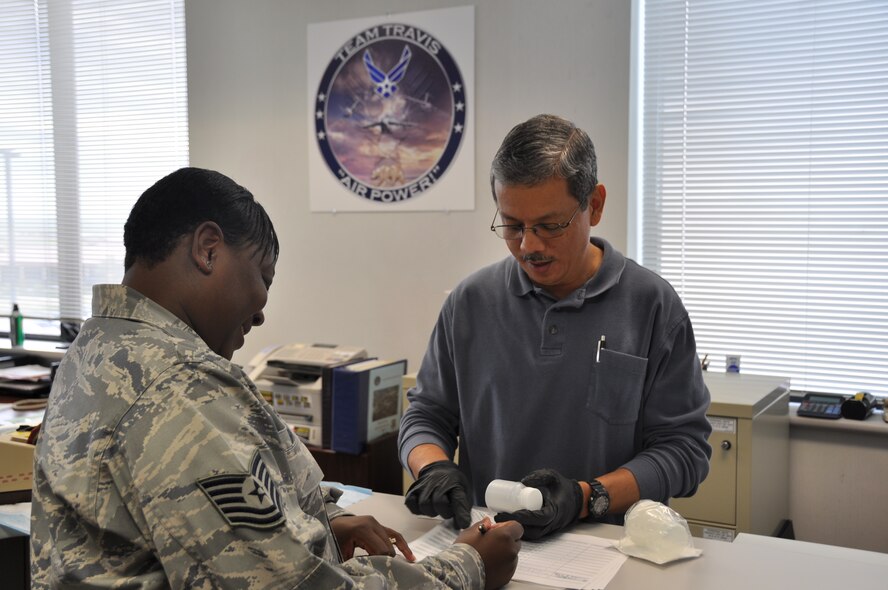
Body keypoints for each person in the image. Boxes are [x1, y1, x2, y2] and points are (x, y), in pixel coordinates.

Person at [30, 167, 522, 589]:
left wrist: (325, 521)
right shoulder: (176, 387)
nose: (262, 310)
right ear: (207, 249)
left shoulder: (102, 348)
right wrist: (468, 566)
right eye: (263, 276)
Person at [398, 114, 712, 540]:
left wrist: (587, 497)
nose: (529, 246)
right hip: (488, 547)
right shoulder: (470, 302)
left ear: (595, 205)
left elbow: (685, 450)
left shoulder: (652, 306)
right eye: (512, 225)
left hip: (606, 554)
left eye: (550, 225)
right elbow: (426, 414)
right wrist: (432, 466)